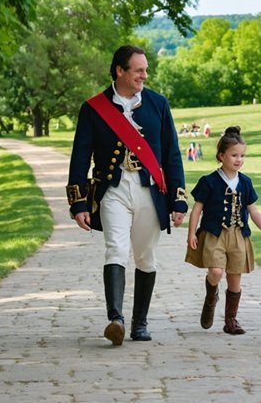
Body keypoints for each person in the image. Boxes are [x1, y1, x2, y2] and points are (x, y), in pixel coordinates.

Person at [66, 44, 188, 345]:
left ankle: (140, 323)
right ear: (120, 70)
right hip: (113, 190)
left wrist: (179, 198)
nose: (144, 75)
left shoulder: (158, 104)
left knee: (146, 257)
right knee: (116, 249)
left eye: (145, 70)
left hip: (149, 190)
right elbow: (80, 157)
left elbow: (172, 154)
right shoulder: (94, 108)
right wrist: (78, 201)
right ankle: (116, 319)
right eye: (138, 70)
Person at [186, 126, 261, 334]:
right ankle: (211, 297)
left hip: (238, 234)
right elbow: (197, 209)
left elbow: (253, 210)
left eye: (242, 155)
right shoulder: (208, 181)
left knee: (235, 278)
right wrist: (191, 233)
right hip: (214, 233)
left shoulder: (245, 182)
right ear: (221, 156)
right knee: (216, 272)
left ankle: (230, 320)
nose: (239, 159)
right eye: (234, 155)